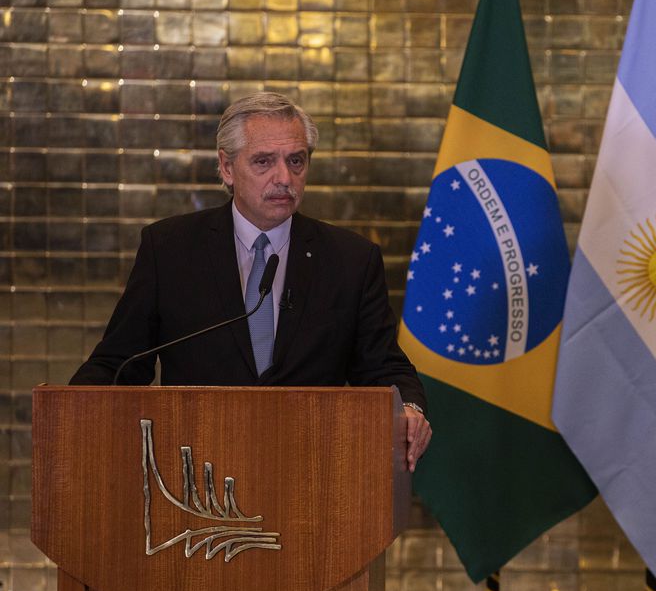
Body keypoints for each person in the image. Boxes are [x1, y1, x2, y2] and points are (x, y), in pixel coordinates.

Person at [71, 92, 432, 469]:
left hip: (312, 472)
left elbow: (384, 369)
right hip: (196, 470)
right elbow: (120, 362)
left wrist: (408, 407)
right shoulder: (169, 249)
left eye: (296, 161)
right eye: (264, 162)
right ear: (227, 168)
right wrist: (72, 409)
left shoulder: (351, 259)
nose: (284, 178)